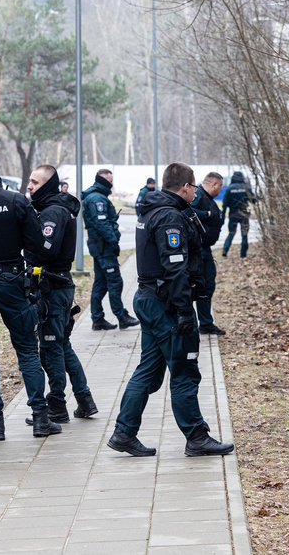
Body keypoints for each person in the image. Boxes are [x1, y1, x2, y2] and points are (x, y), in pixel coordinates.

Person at [108, 162, 234, 458]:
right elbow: (174, 268)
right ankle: (196, 436)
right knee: (185, 368)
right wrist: (184, 312)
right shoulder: (169, 217)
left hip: (150, 299)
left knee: (149, 370)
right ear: (186, 187)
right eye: (194, 187)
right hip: (165, 303)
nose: (196, 192)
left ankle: (124, 432)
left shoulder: (153, 209)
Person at [0, 146, 60, 441]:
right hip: (11, 279)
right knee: (26, 351)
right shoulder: (15, 200)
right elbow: (35, 243)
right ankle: (39, 418)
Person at [23, 164, 99, 424]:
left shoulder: (53, 211)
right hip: (58, 285)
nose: (30, 186)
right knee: (63, 345)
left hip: (53, 287)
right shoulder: (50, 208)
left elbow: (46, 249)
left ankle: (56, 406)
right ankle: (85, 401)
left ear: (47, 184)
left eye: (34, 182)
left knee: (50, 347)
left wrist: (25, 233)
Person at [81, 169, 139, 331]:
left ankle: (97, 319)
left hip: (100, 246)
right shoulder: (97, 199)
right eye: (110, 180)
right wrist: (113, 241)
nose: (112, 184)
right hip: (104, 246)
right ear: (104, 180)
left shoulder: (97, 196)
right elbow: (102, 224)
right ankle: (121, 316)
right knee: (114, 281)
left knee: (101, 283)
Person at [190, 172, 226, 335]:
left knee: (207, 285)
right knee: (201, 286)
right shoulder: (198, 195)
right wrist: (208, 215)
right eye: (220, 186)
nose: (220, 190)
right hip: (198, 250)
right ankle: (201, 322)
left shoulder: (205, 197)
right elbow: (187, 211)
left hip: (204, 249)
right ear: (214, 184)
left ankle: (205, 322)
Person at [221, 171, 255, 258]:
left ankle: (225, 250)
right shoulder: (246, 188)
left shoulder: (229, 189)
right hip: (244, 215)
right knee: (244, 234)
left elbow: (224, 204)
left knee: (231, 233)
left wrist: (223, 216)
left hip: (233, 215)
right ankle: (243, 254)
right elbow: (254, 200)